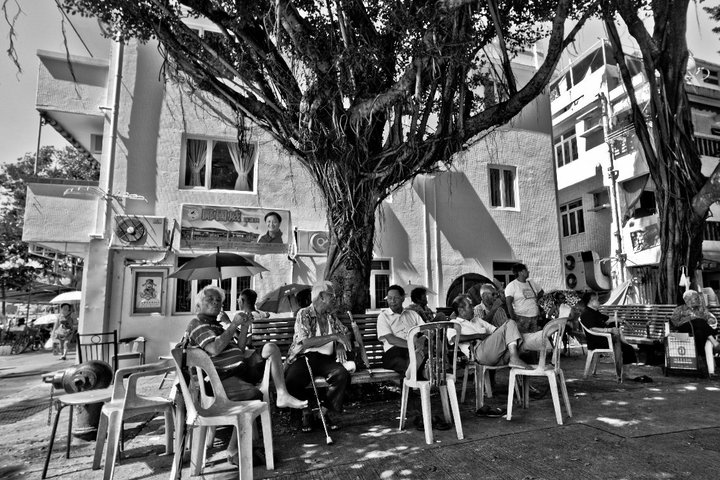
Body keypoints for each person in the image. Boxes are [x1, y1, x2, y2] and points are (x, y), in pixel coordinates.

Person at [185, 285, 306, 465]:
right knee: (254, 396)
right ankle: (233, 449)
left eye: (218, 301)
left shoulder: (217, 326)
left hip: (240, 368)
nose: (215, 303)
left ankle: (282, 394)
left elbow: (239, 350)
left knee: (271, 348)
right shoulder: (197, 324)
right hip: (221, 377)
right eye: (210, 300)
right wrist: (233, 324)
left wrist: (243, 328)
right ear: (198, 306)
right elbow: (214, 348)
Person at [284, 281, 352, 432]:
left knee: (342, 375)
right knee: (292, 379)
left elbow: (345, 332)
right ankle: (306, 412)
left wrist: (340, 344)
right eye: (331, 295)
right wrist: (335, 337)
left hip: (326, 360)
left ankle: (323, 412)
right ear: (322, 297)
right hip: (305, 357)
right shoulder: (304, 313)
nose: (334, 298)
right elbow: (305, 342)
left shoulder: (331, 316)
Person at [579, 291, 638, 383]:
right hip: (597, 340)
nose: (599, 302)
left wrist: (623, 321)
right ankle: (623, 374)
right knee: (626, 347)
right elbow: (592, 329)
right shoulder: (586, 314)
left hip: (603, 337)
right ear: (591, 301)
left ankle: (624, 370)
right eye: (597, 300)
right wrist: (609, 330)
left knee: (617, 330)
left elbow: (607, 318)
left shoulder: (594, 312)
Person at [670, 289, 720, 378]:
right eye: (695, 298)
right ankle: (714, 341)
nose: (698, 300)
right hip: (685, 329)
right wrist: (689, 319)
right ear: (687, 300)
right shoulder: (679, 309)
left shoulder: (701, 308)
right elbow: (675, 322)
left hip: (699, 331)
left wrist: (710, 319)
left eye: (698, 298)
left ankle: (701, 358)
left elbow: (708, 317)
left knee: (699, 331)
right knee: (698, 321)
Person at [505, 263, 544, 333]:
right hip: (521, 318)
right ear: (521, 272)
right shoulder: (512, 286)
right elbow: (508, 303)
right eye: (526, 270)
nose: (528, 272)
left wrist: (537, 301)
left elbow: (541, 292)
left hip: (535, 317)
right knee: (524, 340)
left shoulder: (531, 283)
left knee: (535, 341)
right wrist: (513, 318)